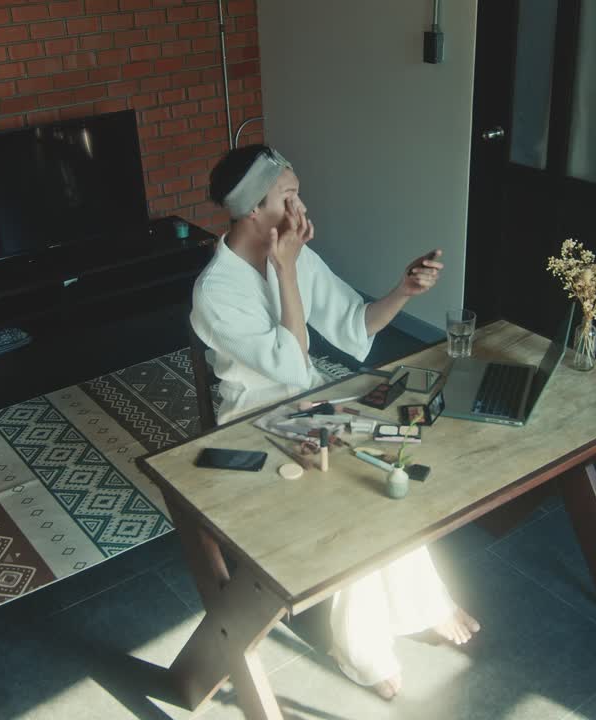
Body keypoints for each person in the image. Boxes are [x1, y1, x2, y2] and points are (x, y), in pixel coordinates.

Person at [189, 145, 480, 700]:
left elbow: (352, 325)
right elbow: (292, 361)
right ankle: (362, 649)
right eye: (289, 197)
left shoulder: (290, 254)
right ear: (255, 210)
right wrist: (286, 269)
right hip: (251, 424)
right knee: (349, 502)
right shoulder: (216, 290)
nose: (301, 207)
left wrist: (403, 291)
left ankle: (422, 604)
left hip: (304, 410)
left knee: (389, 475)